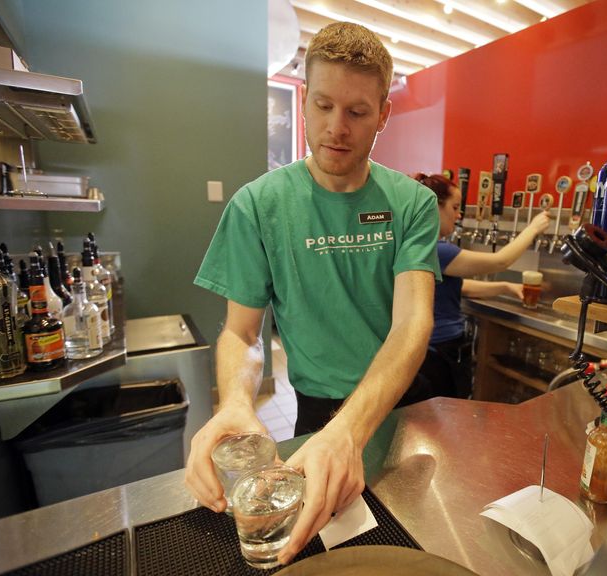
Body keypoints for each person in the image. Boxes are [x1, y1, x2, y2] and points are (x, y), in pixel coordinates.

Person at [185, 23, 441, 565]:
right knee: (319, 553)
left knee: (408, 552)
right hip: (316, 411)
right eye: (323, 105)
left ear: (383, 115)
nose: (336, 128)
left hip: (397, 409)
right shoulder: (259, 205)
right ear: (303, 101)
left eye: (357, 112)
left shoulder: (412, 203)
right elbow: (241, 332)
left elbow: (411, 325)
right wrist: (235, 400)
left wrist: (351, 430)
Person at [412, 173, 551, 399]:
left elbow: (456, 286)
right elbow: (500, 261)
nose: (458, 215)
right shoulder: (436, 249)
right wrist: (532, 229)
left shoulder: (423, 246)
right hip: (440, 352)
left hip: (434, 349)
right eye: (455, 207)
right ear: (434, 207)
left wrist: (506, 287)